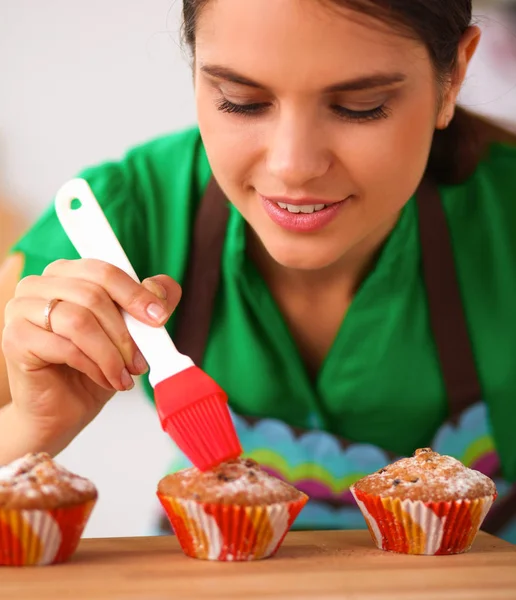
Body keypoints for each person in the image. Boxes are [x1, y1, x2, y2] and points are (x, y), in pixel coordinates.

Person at [1, 0, 515, 542]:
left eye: (360, 106)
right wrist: (32, 425)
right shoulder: (123, 215)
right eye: (241, 102)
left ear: (452, 76)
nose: (292, 166)